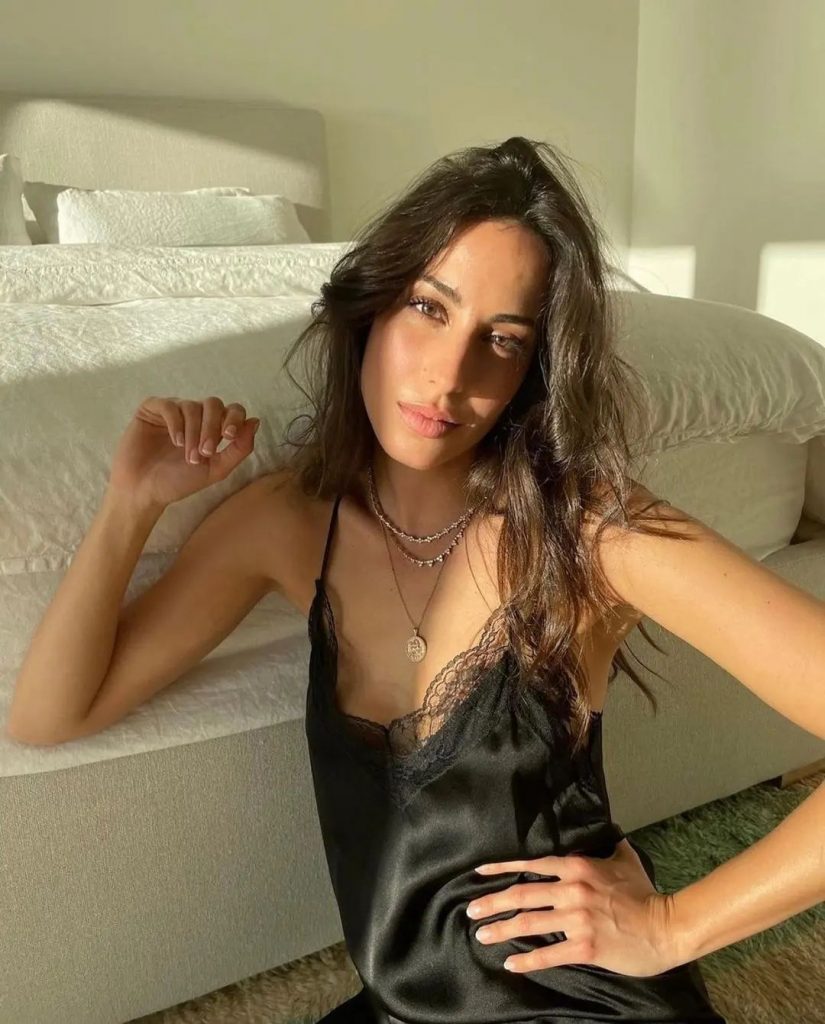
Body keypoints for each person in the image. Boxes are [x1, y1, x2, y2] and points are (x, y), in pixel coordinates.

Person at [7, 137, 731, 1022]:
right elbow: (49, 716)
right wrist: (132, 506)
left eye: (502, 340)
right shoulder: (287, 522)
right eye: (428, 307)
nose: (448, 376)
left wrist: (669, 926)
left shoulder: (587, 535)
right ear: (371, 308)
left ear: (534, 371)